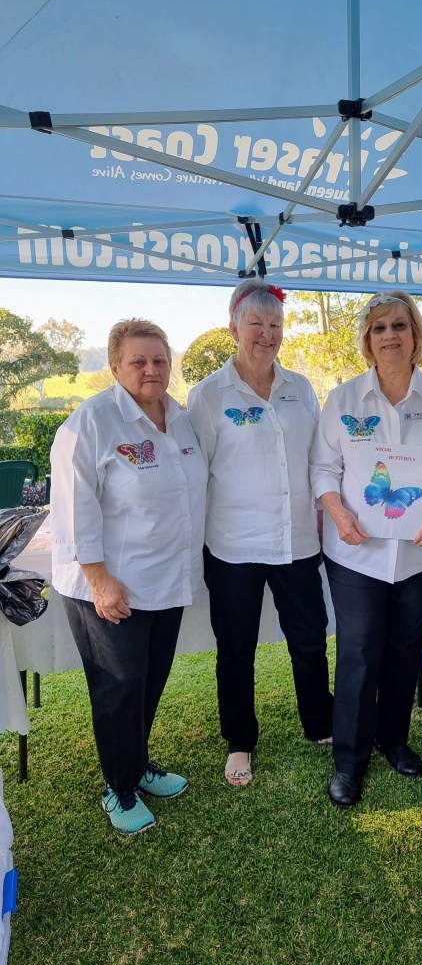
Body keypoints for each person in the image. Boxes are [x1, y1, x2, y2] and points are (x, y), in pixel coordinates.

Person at [50, 318, 207, 835]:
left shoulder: (180, 418)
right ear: (115, 367)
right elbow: (75, 509)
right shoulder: (90, 423)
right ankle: (117, 786)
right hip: (110, 586)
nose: (151, 369)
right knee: (118, 689)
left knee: (149, 682)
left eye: (159, 360)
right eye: (138, 361)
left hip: (166, 580)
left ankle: (137, 765)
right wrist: (99, 579)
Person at [311, 291, 422, 807]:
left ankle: (393, 740)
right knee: (358, 650)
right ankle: (348, 760)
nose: (390, 335)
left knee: (404, 649)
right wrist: (338, 513)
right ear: (367, 341)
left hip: (421, 554)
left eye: (400, 325)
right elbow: (324, 468)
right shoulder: (343, 400)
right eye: (379, 328)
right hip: (356, 552)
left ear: (416, 334)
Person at [187, 279, 333, 787]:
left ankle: (320, 722)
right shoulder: (208, 396)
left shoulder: (300, 388)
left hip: (297, 541)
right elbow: (195, 473)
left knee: (310, 640)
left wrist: (325, 511)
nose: (267, 334)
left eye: (275, 324)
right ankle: (240, 740)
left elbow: (319, 457)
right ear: (234, 328)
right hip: (233, 546)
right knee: (237, 649)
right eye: (256, 324)